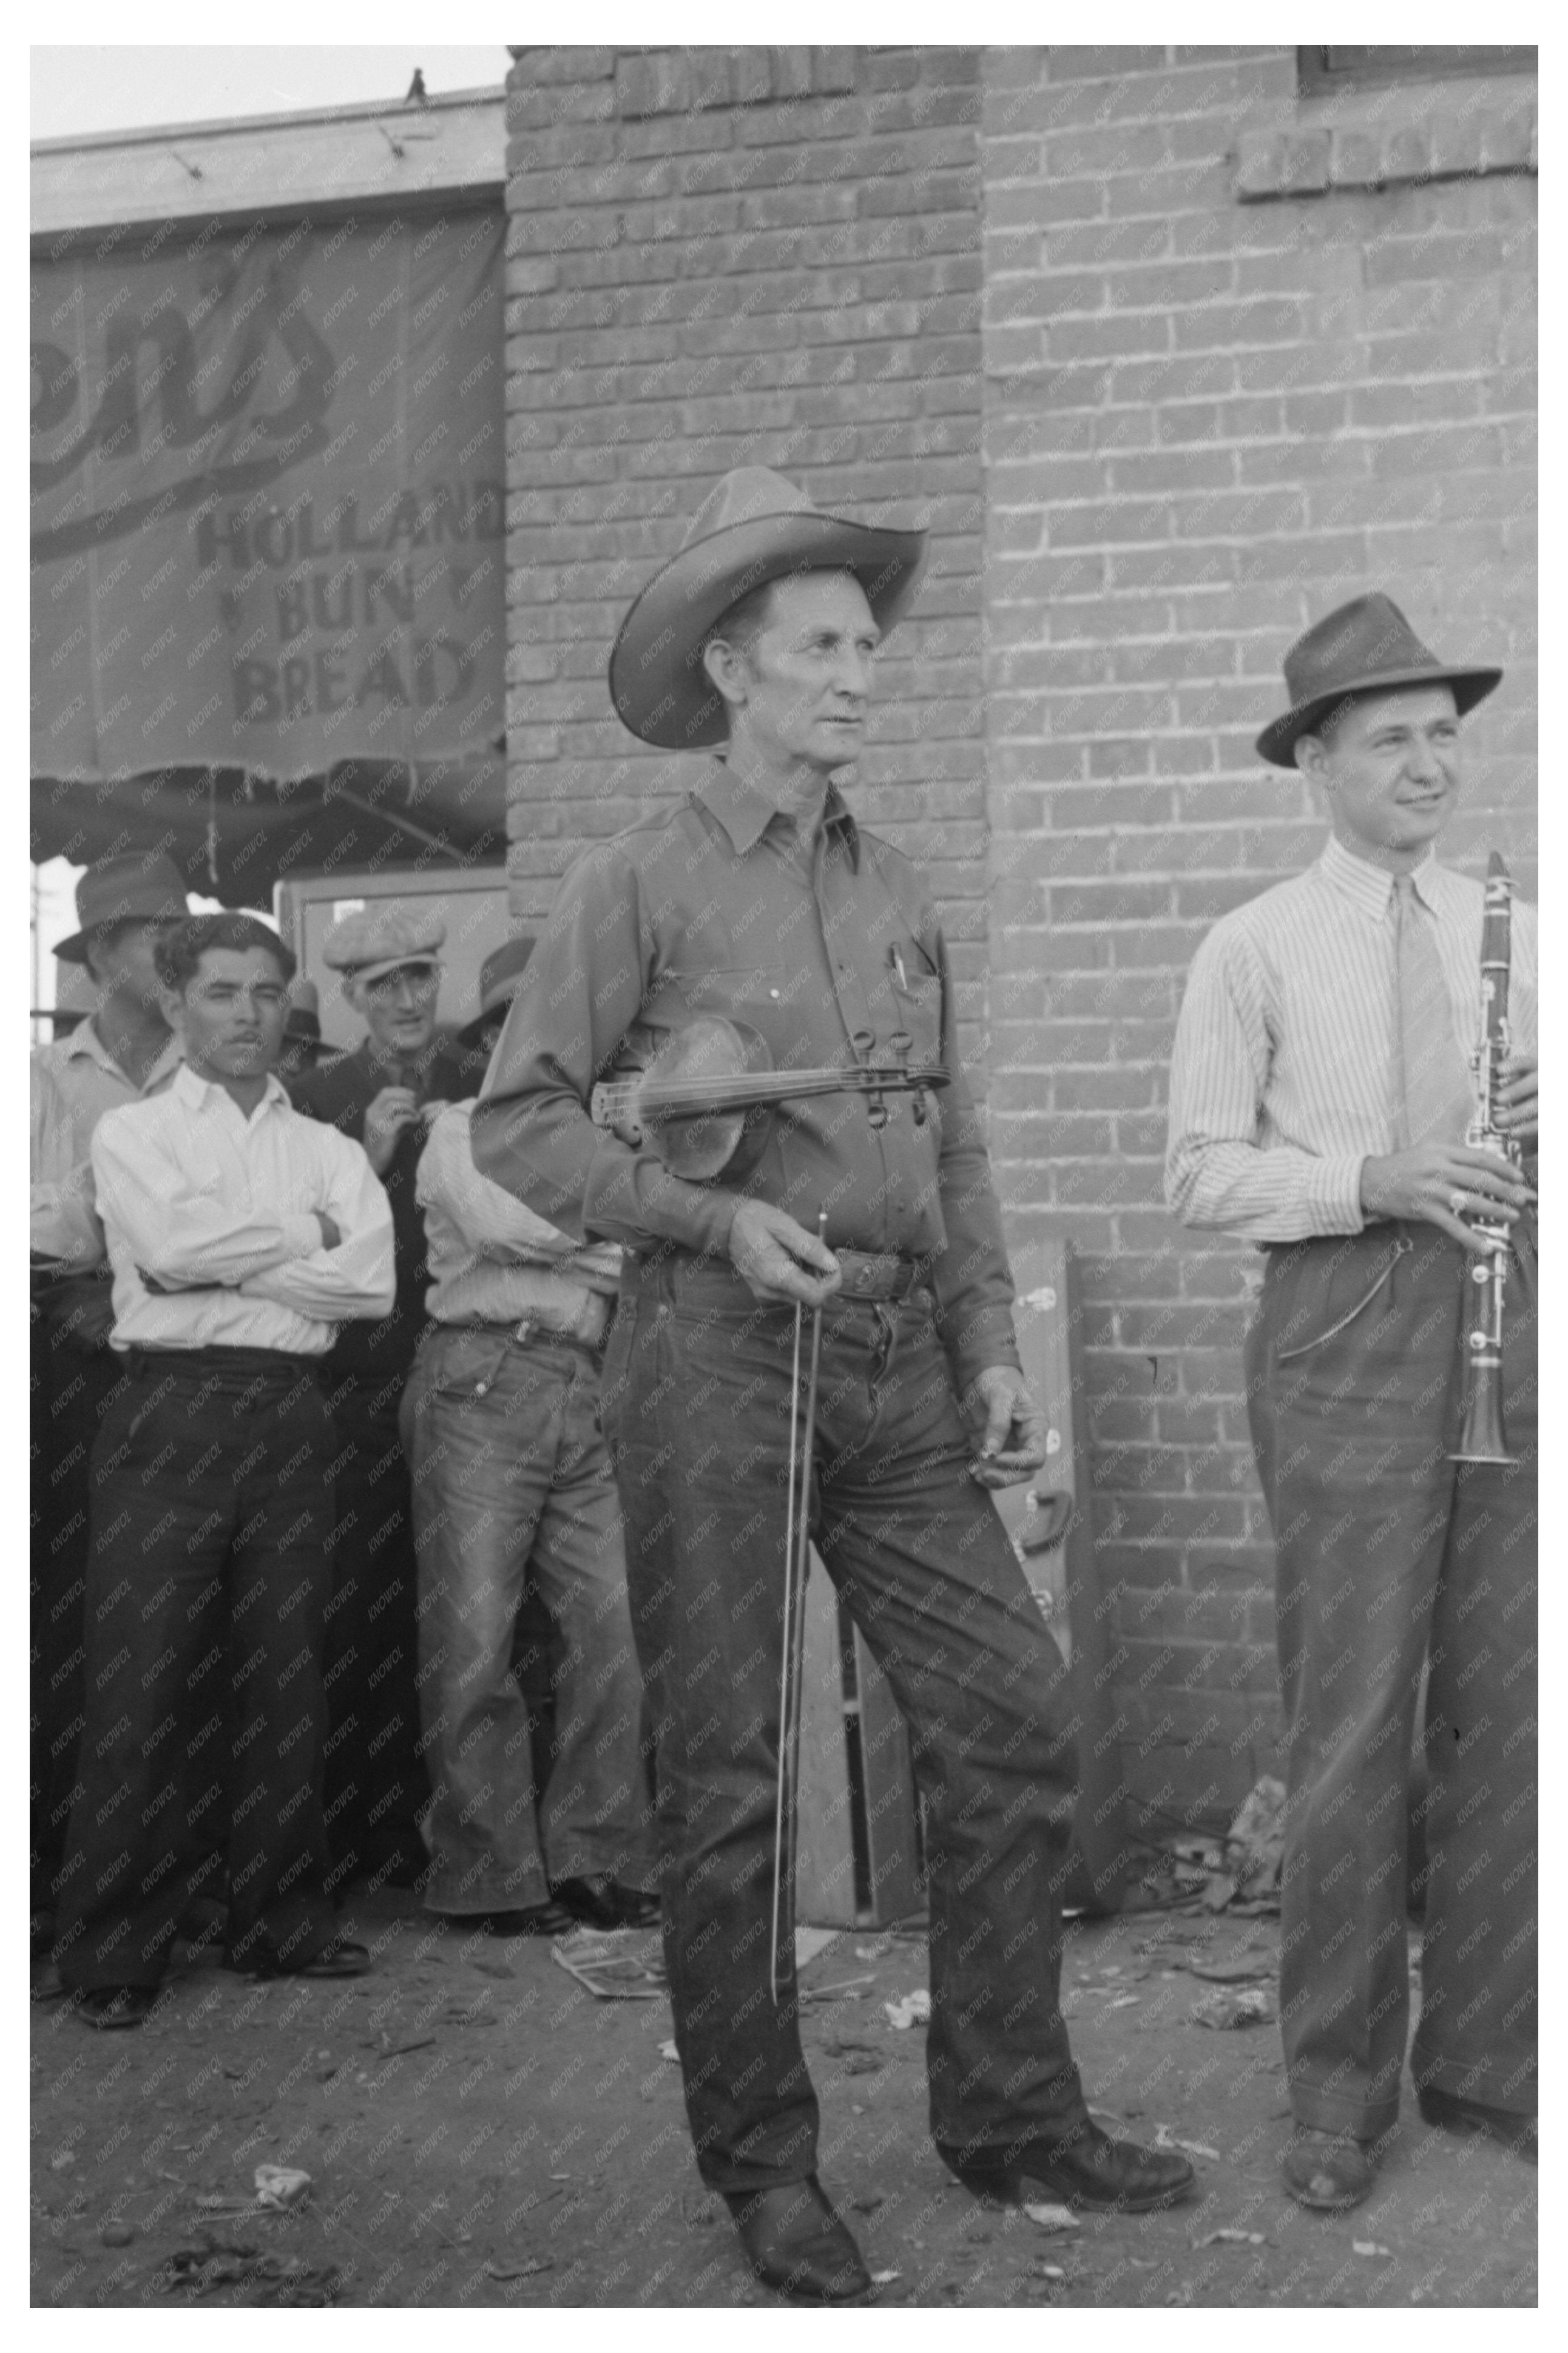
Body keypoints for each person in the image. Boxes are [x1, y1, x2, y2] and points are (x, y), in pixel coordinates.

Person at [470, 468, 1195, 2301]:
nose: (862, 672)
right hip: (714, 1351)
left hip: (891, 1355)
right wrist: (703, 1227)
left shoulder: (899, 885)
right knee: (730, 1778)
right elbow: (520, 1128)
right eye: (822, 644)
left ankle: (1011, 2109)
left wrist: (987, 1343)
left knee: (1014, 1711)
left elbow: (944, 1142)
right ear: (734, 665)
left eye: (870, 642)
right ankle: (765, 2164)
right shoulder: (636, 877)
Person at [1165, 594, 1538, 2211]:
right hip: (1343, 1325)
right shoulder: (1252, 943)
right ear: (1314, 759)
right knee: (1351, 1723)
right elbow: (1197, 1172)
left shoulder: (1519, 919)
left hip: (1508, 1323)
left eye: (1444, 731)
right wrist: (1373, 1174)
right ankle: (1333, 2087)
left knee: (1510, 1714)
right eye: (1390, 735)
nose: (1428, 761)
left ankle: (1488, 2056)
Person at [52, 914, 395, 2026]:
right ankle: (113, 1950)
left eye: (263, 992)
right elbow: (166, 1253)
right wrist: (303, 1244)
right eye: (220, 992)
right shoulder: (135, 1134)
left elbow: (373, 1288)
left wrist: (247, 1251)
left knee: (287, 1675)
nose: (246, 1013)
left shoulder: (332, 1149)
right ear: (175, 1002)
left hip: (294, 1415)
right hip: (169, 1413)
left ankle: (280, 1923)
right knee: (140, 1680)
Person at [403, 936, 659, 1938]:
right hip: (480, 1376)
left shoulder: (605, 1150)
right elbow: (522, 1228)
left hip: (586, 1383)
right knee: (474, 1635)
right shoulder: (460, 1129)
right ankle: (487, 1872)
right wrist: (630, 1229)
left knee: (619, 1625)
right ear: (493, 1038)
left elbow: (630, 1247)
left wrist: (626, 1231)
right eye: (520, 1019)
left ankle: (599, 1857)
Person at [289, 910, 468, 1887]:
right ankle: (356, 1827)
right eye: (387, 984)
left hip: (466, 1378)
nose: (408, 999)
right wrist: (369, 1158)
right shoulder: (314, 1099)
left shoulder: (475, 1085)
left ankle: (427, 1824)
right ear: (354, 996)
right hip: (357, 1383)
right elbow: (297, 1240)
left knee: (451, 1605)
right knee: (358, 1597)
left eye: (422, 978)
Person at [30, 851, 188, 1942]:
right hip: (69, 1368)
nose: (169, 957)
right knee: (63, 1620)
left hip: (182, 1361)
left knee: (182, 1628)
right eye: (146, 938)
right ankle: (54, 1885)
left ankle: (182, 1883)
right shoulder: (43, 1078)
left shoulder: (210, 1071)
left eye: (179, 934)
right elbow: (42, 1234)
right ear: (95, 958)